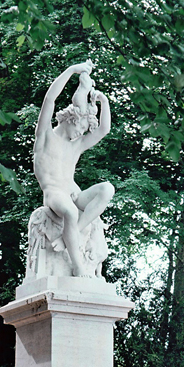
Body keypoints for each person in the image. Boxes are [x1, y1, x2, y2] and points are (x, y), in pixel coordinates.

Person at [33, 61, 114, 277]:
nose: (81, 134)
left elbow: (104, 130)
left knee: (107, 189)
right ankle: (78, 266)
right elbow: (49, 99)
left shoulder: (75, 145)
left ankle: (74, 233)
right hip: (54, 194)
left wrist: (104, 101)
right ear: (71, 118)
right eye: (80, 127)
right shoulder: (45, 136)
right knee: (69, 210)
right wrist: (71, 70)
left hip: (73, 192)